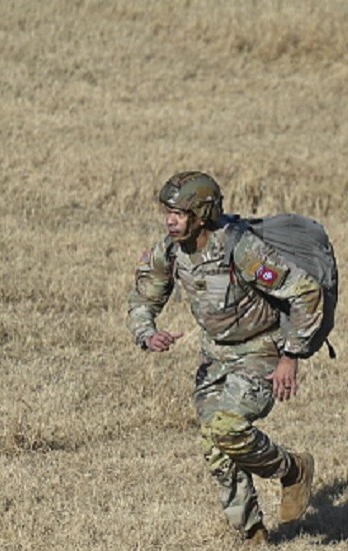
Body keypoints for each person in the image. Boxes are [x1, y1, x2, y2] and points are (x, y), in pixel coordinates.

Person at [127, 171, 322, 545]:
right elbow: (141, 299)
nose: (170, 220)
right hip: (214, 358)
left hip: (260, 352)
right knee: (215, 447)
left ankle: (292, 469)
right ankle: (252, 532)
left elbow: (305, 291)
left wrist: (291, 355)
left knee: (227, 428)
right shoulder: (169, 250)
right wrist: (147, 332)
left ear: (202, 215)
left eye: (180, 213)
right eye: (168, 212)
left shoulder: (241, 249)